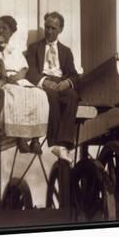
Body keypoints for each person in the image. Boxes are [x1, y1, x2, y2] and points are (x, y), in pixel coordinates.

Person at [25, 12, 79, 163]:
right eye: (47, 27)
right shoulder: (34, 48)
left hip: (61, 81)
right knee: (52, 96)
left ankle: (65, 143)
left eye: (53, 28)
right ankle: (54, 142)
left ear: (60, 29)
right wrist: (44, 81)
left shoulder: (66, 51)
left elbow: (73, 74)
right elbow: (31, 71)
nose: (49, 31)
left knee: (72, 96)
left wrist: (68, 82)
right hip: (45, 81)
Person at [0, 16, 49, 154]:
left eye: (4, 28)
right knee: (14, 95)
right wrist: (6, 78)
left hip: (19, 79)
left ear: (11, 32)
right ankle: (20, 138)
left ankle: (36, 139)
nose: (0, 31)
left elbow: (24, 68)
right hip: (5, 80)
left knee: (39, 94)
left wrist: (17, 77)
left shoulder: (15, 49)